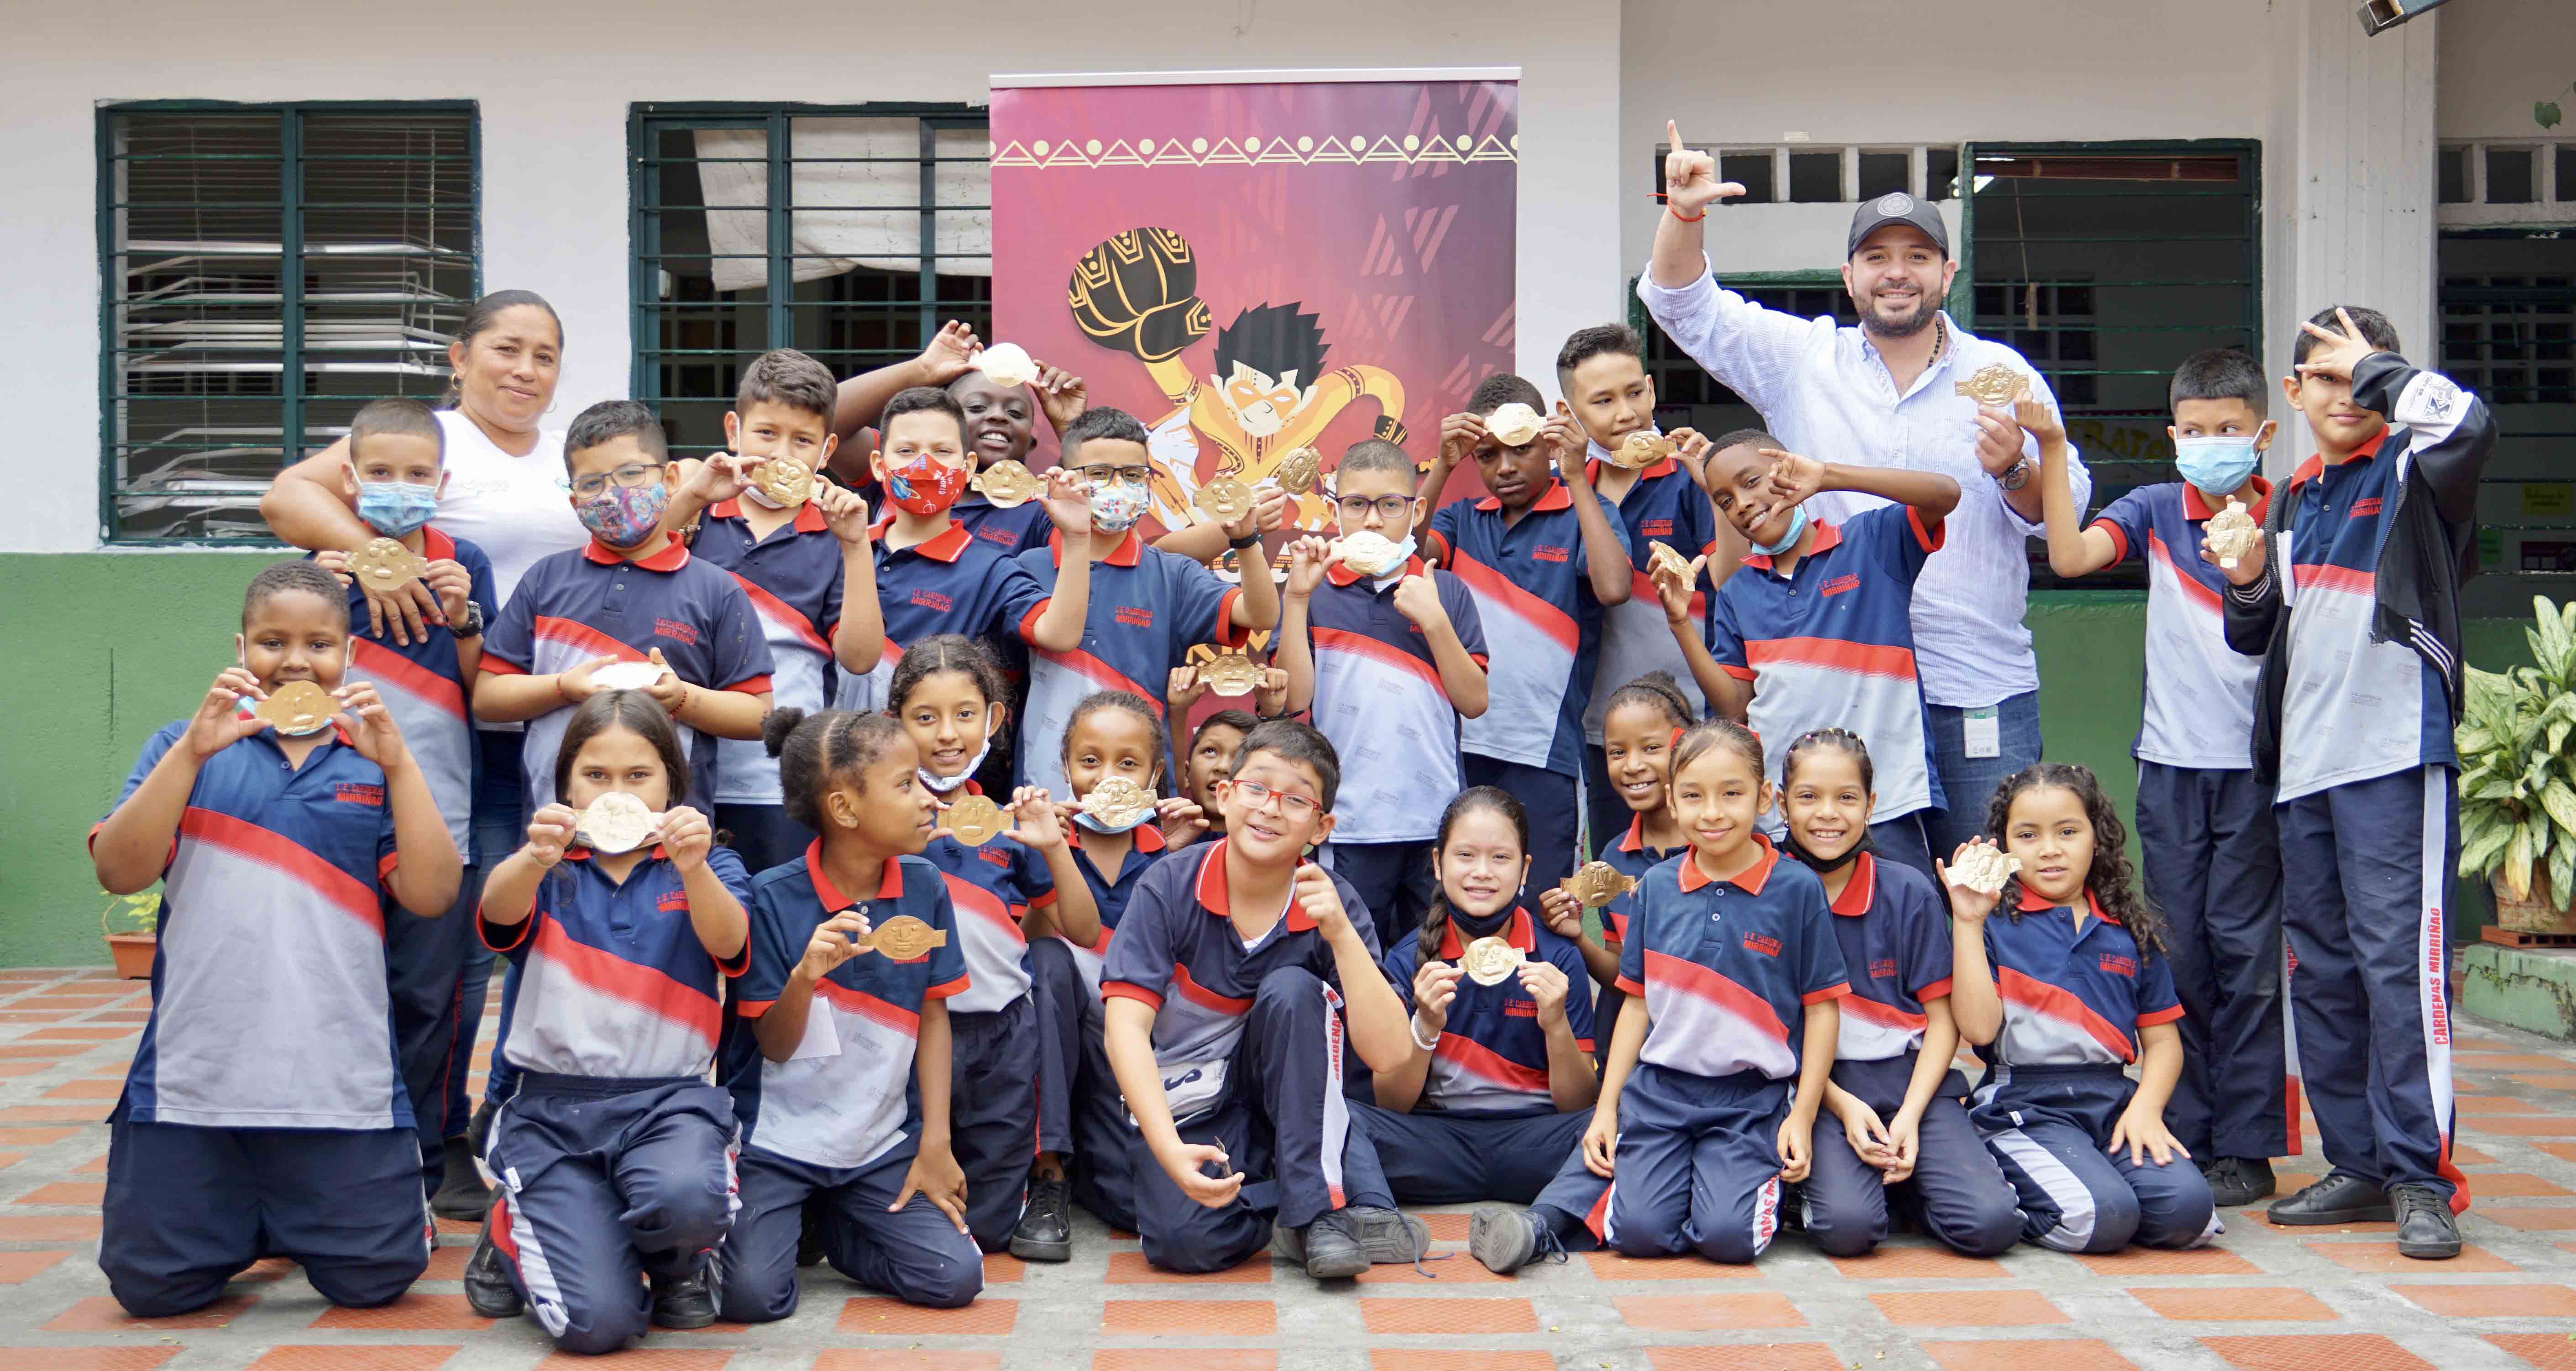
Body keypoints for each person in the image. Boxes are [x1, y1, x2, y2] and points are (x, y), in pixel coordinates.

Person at [1641, 121, 2092, 859]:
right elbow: (1681, 305)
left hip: (1972, 680)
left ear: (1947, 272)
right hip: (1840, 692)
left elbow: (2064, 511)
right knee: (1852, 899)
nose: (1896, 273)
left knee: (1989, 887)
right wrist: (1683, 213)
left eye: (1917, 256)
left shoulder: (2002, 374)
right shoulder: (1801, 359)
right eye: (1876, 257)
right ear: (1848, 275)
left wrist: (2015, 468)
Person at [261, 288, 585, 1213]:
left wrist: (465, 614)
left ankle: (460, 1132)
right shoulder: (424, 436)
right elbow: (285, 497)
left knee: (476, 951)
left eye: (544, 354)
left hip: (514, 733)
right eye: (507, 348)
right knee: (397, 955)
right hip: (400, 759)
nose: (525, 368)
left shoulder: (558, 460)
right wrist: (377, 559)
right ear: (460, 355)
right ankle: (364, 1135)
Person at [89, 561, 461, 1317]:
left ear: (348, 654)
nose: (295, 661)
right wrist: (192, 753)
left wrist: (399, 765)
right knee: (154, 1290)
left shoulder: (371, 758)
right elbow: (120, 873)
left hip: (340, 1078)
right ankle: (255, 1217)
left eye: (318, 644)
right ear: (240, 648)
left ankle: (289, 1214)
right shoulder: (182, 746)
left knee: (374, 1281)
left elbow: (433, 894)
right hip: (195, 1078)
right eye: (272, 642)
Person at [2218, 307, 2498, 1258]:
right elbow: (2257, 633)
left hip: (2390, 757)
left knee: (2398, 971)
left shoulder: (2416, 470)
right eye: (2325, 376)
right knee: (2324, 973)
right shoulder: (2292, 496)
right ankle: (2359, 1164)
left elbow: (2467, 425)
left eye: (2360, 375)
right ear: (2292, 390)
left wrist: (2378, 366)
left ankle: (2420, 1175)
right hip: (2303, 769)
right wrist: (2246, 576)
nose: (2345, 395)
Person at [2031, 348, 2289, 1208]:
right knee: (2178, 954)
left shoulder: (2292, 513)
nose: (2210, 444)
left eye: (2228, 430)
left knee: (2246, 955)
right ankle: (2188, 1126)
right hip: (2171, 766)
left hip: (2259, 769)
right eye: (2194, 431)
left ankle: (2248, 1146)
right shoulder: (2151, 508)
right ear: (2172, 435)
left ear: (2262, 434)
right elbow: (2069, 557)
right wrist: (2051, 448)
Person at [1475, 720, 1845, 1273]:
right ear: (1672, 801)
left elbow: (1822, 1008)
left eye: (1731, 794)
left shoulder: (1796, 889)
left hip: (1750, 1101)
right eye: (1693, 796)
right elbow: (1637, 1003)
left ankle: (1734, 1187)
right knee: (1640, 1235)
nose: (1712, 812)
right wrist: (1607, 1109)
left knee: (1728, 1239)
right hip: (1659, 1095)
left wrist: (1803, 1114)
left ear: (1765, 797)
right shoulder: (1658, 888)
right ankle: (1642, 1197)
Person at [461, 691, 751, 1351]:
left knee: (688, 1197)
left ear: (672, 784)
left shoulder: (711, 863)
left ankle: (674, 1264)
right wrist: (533, 858)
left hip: (670, 1104)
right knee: (598, 1326)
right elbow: (497, 918)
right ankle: (517, 1219)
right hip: (553, 1111)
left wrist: (694, 869)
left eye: (638, 775)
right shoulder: (545, 863)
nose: (616, 792)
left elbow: (732, 945)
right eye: (595, 775)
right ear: (565, 785)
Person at [1100, 720, 1427, 1278]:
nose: (1271, 809)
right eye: (1256, 788)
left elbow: (1391, 1054)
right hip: (1186, 1096)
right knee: (1184, 1242)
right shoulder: (1168, 885)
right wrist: (1169, 1149)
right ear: (1226, 795)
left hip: (1284, 1096)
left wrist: (1341, 935)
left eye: (1296, 799)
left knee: (1293, 989)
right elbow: (1125, 1028)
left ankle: (1317, 1216)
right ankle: (1292, 1198)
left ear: (1321, 827)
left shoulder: (1332, 900)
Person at [713, 706, 982, 1319]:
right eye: (906, 784)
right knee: (750, 1296)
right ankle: (799, 1210)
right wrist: (805, 978)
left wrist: (935, 1142)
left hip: (878, 1144)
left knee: (955, 1278)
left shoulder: (925, 885)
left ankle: (836, 1225)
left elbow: (934, 1017)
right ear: (844, 809)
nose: (929, 799)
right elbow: (775, 1045)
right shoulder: (771, 899)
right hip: (777, 1144)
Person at [308, 400, 501, 1212]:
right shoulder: (323, 568)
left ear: (441, 482)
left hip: (440, 814)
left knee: (431, 993)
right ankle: (333, 1149)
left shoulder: (465, 563)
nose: (399, 486)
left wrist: (463, 617)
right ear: (351, 481)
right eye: (381, 473)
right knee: (339, 986)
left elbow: (486, 691)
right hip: (335, 814)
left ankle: (425, 1156)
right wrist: (323, 598)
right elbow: (292, 678)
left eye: (416, 474)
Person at [1945, 764, 2218, 1255]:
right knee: (2102, 1220)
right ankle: (2011, 1195)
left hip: (2114, 1103)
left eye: (2068, 832)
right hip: (2023, 1104)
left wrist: (2147, 1110)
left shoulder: (2128, 929)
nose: (2049, 849)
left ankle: (2102, 1185)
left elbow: (2163, 1043)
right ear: (2005, 848)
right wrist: (1966, 924)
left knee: (2188, 1214)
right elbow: (1979, 1030)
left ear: (2098, 838)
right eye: (2028, 835)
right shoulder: (1993, 925)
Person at [1656, 433, 1958, 878]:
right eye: (1725, 500)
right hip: (1786, 814)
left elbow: (1945, 494)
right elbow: (1735, 706)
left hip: (1884, 800)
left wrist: (1827, 476)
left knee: (1901, 914)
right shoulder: (1738, 591)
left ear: (1787, 468)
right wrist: (1681, 623)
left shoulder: (1869, 542)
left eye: (1751, 481)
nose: (1742, 503)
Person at [887, 636, 1100, 1256]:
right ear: (895, 724)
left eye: (965, 714)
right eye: (925, 717)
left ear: (994, 719)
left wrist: (1052, 846)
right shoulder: (883, 826)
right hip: (911, 1033)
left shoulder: (1009, 825)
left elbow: (1082, 930)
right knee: (915, 1206)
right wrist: (901, 838)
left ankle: (1030, 1189)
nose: (947, 734)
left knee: (988, 1228)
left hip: (1003, 1035)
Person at [1777, 730, 2021, 1258]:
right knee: (1848, 1230)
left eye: (1846, 797)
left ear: (1870, 806)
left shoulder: (1907, 889)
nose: (1827, 813)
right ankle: (1823, 1192)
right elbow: (1766, 1028)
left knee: (1991, 1224)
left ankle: (1913, 1187)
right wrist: (1840, 1105)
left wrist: (1910, 1113)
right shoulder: (1769, 891)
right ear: (1780, 804)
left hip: (1913, 1084)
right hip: (1817, 1089)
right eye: (1808, 796)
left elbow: (1942, 1021)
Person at [472, 399, 776, 820]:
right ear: (574, 501)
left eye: (632, 474)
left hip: (672, 836)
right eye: (592, 483)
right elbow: (488, 698)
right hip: (556, 830)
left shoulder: (716, 590)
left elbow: (759, 715)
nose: (613, 494)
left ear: (670, 479)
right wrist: (562, 687)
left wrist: (682, 698)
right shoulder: (546, 580)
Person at [660, 349, 887, 874]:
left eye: (802, 441)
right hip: (677, 767)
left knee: (775, 912)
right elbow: (637, 558)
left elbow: (859, 657)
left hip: (781, 780)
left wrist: (855, 545)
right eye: (766, 433)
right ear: (733, 431)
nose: (781, 454)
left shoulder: (835, 533)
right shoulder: (699, 514)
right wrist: (692, 497)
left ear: (827, 450)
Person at [1418, 375, 1634, 892]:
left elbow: (1613, 588)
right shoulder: (1462, 520)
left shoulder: (1587, 512)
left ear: (1548, 441)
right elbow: (1396, 557)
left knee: (1543, 904)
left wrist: (1576, 478)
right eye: (1487, 455)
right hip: (1459, 747)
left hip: (1546, 753)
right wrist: (1442, 465)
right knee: (1463, 899)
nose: (1506, 467)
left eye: (1521, 449)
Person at [1016, 406, 1280, 801]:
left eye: (1133, 475)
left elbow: (1261, 615)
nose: (1118, 486)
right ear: (1065, 478)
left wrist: (1245, 541)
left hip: (1143, 796)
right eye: (1100, 474)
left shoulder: (1171, 573)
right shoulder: (1028, 567)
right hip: (1042, 792)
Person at [1278, 440, 1490, 928]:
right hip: (1347, 822)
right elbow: (1293, 700)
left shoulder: (1446, 591)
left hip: (1436, 822)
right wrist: (1296, 600)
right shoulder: (1312, 589)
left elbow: (1475, 701)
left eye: (1390, 505)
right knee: (1351, 951)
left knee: (1434, 955)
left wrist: (1434, 621)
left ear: (1417, 511)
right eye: (1357, 504)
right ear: (1334, 510)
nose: (1373, 521)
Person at [1356, 787, 1598, 1206]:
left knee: (1621, 1121)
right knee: (1343, 1121)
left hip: (1539, 1142)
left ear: (1524, 870)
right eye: (1465, 856)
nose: (1482, 872)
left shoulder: (1559, 958)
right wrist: (1425, 1027)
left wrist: (1556, 1025)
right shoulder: (1408, 959)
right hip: (1437, 1145)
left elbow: (1578, 1103)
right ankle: (1375, 1219)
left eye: (1500, 858)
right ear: (1438, 864)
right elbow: (1391, 1103)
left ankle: (1540, 1226)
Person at [1022, 691, 1201, 1249]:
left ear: (1154, 777)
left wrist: (1172, 856)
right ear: (1065, 768)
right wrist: (1052, 850)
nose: (1106, 778)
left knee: (1130, 1205)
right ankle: (1048, 1171)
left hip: (1134, 1053)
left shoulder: (1171, 857)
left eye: (1128, 764)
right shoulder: (1042, 841)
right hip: (1057, 1042)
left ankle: (1096, 1153)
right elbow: (1029, 943)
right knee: (1046, 960)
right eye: (1089, 760)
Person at [828, 387, 1095, 718]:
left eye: (942, 451)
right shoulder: (844, 546)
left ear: (968, 467)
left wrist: (1077, 537)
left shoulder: (991, 569)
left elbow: (1059, 635)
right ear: (880, 466)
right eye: (907, 451)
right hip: (837, 741)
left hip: (937, 745)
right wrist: (854, 547)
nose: (924, 464)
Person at [1553, 325, 1719, 857]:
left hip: (1695, 720)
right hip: (1604, 732)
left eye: (1633, 393)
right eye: (1602, 401)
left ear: (1650, 388)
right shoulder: (1562, 489)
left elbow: (1734, 581)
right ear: (1569, 412)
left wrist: (1713, 487)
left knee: (1701, 866)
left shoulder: (1691, 476)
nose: (1625, 413)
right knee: (1618, 871)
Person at [1577, 672, 1698, 1067]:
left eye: (1651, 748)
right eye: (1617, 752)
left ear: (1685, 746)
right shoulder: (1613, 857)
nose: (1632, 765)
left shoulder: (1718, 844)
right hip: (1636, 1058)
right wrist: (1577, 937)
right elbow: (1622, 974)